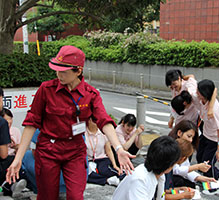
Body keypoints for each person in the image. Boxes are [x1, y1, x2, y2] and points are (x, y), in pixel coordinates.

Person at [6, 45, 134, 200]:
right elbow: (31, 123)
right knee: (47, 196)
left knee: (75, 196)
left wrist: (119, 148)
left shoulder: (90, 94)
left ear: (78, 71)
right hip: (48, 149)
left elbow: (104, 121)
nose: (58, 74)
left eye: (63, 71)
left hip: (75, 151)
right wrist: (18, 159)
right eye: (56, 70)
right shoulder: (46, 89)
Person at [112, 136, 181, 200]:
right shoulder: (139, 180)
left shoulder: (159, 175)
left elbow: (161, 197)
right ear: (169, 166)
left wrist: (177, 190)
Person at [195, 79, 219, 195]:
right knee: (199, 158)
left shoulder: (215, 109)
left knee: (207, 163)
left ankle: (214, 187)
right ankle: (218, 175)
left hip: (215, 139)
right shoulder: (203, 101)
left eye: (199, 91)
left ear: (205, 93)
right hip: (206, 135)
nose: (196, 93)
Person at [168, 120, 215, 189]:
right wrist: (197, 167)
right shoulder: (169, 147)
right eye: (189, 136)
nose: (191, 140)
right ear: (179, 133)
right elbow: (175, 170)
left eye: (192, 138)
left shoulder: (184, 147)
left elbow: (185, 168)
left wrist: (200, 178)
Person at [21, 129, 66, 194]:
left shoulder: (39, 130)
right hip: (72, 181)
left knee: (27, 156)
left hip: (50, 180)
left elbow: (34, 152)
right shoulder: (73, 125)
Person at [0, 87, 26, 198]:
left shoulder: (15, 130)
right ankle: (10, 185)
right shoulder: (1, 123)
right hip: (4, 164)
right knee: (14, 163)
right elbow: (3, 154)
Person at [86, 118, 125, 186]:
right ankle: (108, 180)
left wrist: (114, 165)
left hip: (102, 159)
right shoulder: (84, 133)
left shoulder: (103, 133)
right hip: (89, 160)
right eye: (92, 120)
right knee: (86, 174)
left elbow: (109, 150)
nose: (94, 122)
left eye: (95, 120)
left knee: (104, 170)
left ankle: (121, 176)